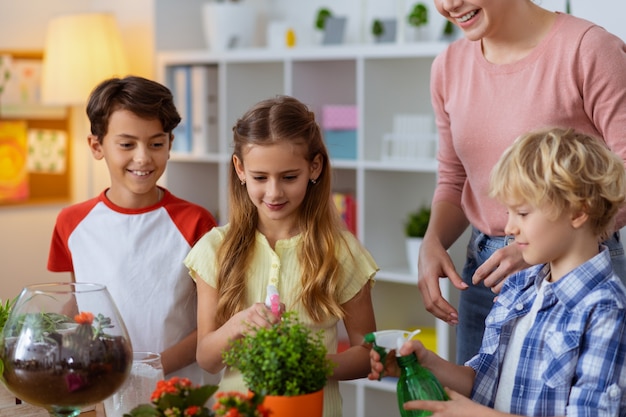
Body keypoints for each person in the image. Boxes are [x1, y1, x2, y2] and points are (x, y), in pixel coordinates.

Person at [419, 0, 626, 364]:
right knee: (479, 399)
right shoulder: (447, 68)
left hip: (573, 270)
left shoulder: (589, 49)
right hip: (485, 275)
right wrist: (432, 241)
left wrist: (543, 246)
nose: (449, 5)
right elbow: (454, 178)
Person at [371, 127, 626, 416]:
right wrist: (429, 364)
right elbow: (486, 382)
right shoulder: (520, 288)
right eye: (508, 213)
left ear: (579, 211)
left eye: (523, 213)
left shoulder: (606, 310)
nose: (509, 228)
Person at [184, 95, 378, 417]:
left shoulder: (341, 252)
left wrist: (311, 364)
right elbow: (207, 359)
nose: (274, 193)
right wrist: (236, 326)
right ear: (240, 169)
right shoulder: (215, 248)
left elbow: (367, 353)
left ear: (314, 167)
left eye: (289, 177)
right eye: (260, 178)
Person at [47, 75, 220, 385]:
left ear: (170, 145)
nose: (143, 157)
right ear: (96, 145)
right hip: (101, 389)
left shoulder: (196, 223)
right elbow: (79, 302)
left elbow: (213, 323)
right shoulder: (71, 223)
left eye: (156, 143)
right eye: (127, 144)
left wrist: (147, 370)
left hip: (180, 391)